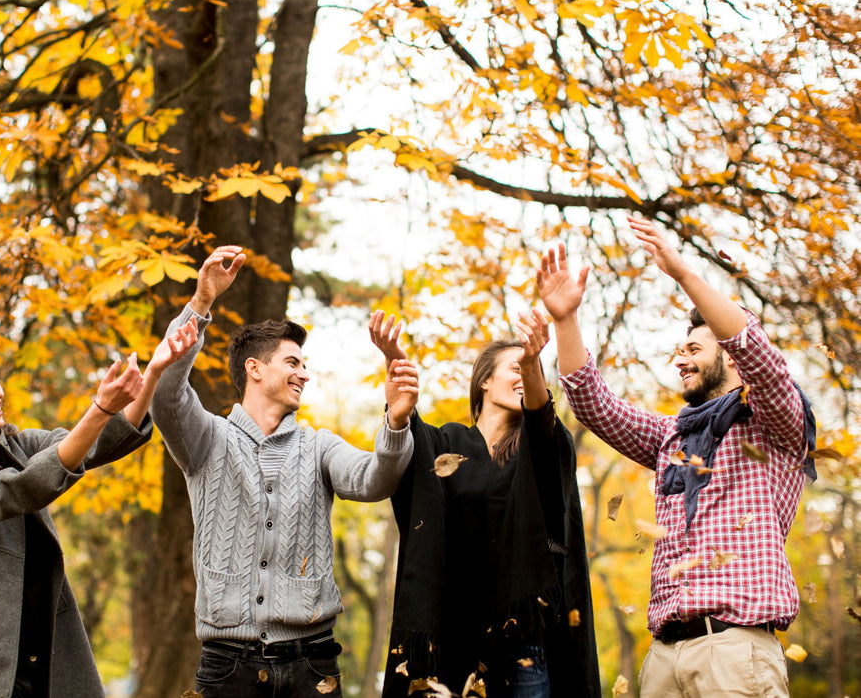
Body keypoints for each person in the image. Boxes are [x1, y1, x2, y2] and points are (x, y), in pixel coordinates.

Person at [538, 216, 817, 697]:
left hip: (734, 654)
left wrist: (683, 273)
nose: (680, 359)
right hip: (666, 656)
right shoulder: (673, 436)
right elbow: (592, 402)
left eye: (693, 347)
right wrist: (565, 320)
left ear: (729, 358)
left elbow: (758, 354)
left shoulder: (775, 424)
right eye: (679, 349)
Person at [150, 245, 420, 698]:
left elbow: (376, 479)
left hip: (312, 666)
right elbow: (165, 394)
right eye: (292, 363)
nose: (304, 375)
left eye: (304, 365)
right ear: (254, 369)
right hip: (226, 668)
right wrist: (201, 303)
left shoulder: (319, 446)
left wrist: (395, 419)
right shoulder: (207, 439)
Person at [0, 326, 196, 698]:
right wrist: (100, 409)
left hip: (48, 654)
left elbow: (95, 442)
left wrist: (153, 373)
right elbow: (16, 491)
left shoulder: (19, 445)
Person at [371, 309, 601, 698]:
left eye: (532, 368)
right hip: (452, 641)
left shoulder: (540, 447)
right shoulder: (445, 445)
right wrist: (398, 396)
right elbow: (403, 458)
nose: (527, 373)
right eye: (516, 367)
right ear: (485, 381)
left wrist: (531, 367)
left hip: (523, 649)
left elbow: (541, 419)